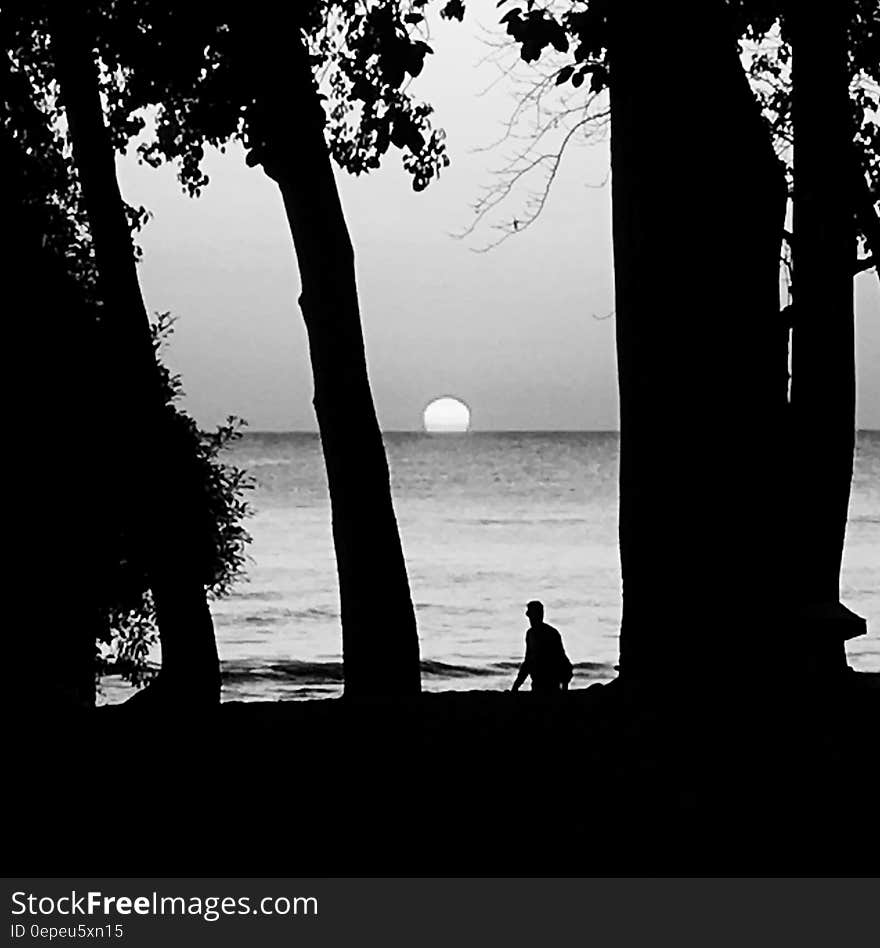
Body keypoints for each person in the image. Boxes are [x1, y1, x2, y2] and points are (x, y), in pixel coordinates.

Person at [511, 600, 573, 693]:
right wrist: (516, 686)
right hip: (537, 683)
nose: (529, 617)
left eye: (531, 613)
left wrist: (564, 688)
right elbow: (528, 662)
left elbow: (562, 661)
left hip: (552, 684)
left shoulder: (551, 633)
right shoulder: (530, 634)